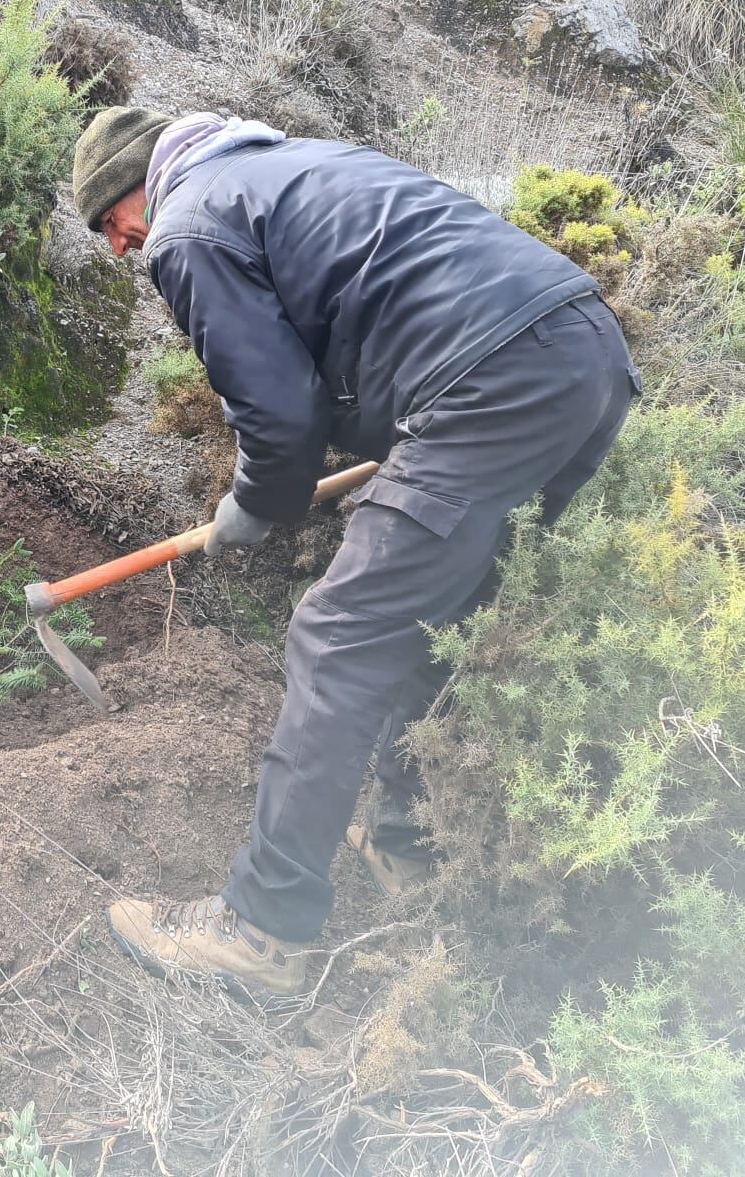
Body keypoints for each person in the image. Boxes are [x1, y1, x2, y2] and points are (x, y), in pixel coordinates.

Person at [70, 106, 640, 997]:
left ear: (138, 190)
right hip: (582, 353)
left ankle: (259, 933)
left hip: (487, 383)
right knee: (443, 616)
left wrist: (256, 504)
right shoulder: (293, 167)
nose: (119, 249)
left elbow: (280, 413)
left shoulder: (188, 224)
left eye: (110, 225)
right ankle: (413, 850)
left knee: (336, 634)